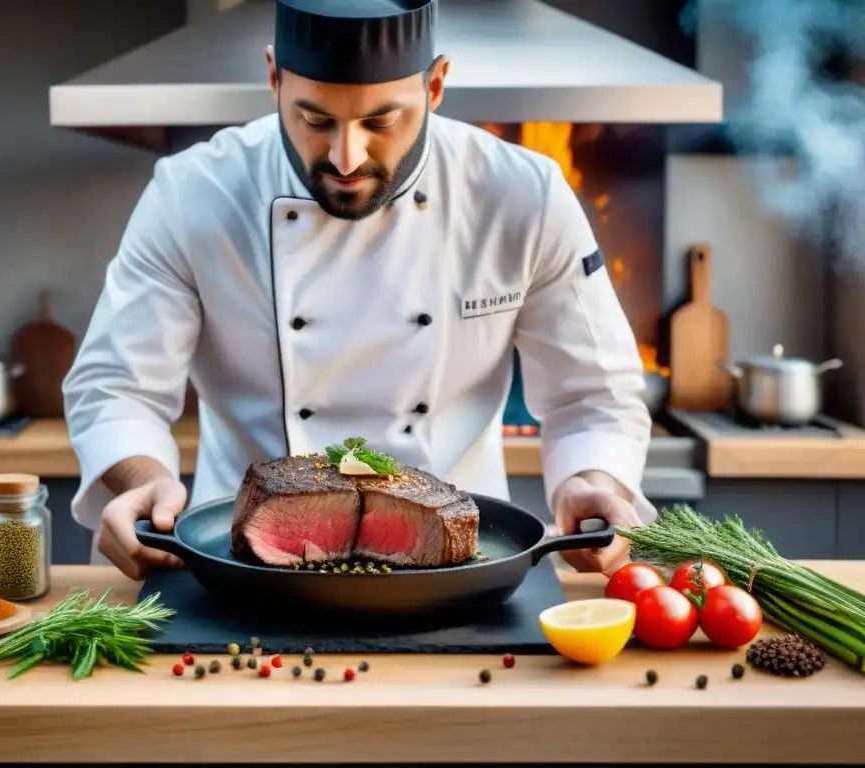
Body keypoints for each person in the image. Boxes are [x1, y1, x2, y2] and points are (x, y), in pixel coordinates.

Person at [63, 0, 655, 581]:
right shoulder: (193, 193)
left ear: (437, 84)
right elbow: (115, 386)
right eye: (316, 120)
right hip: (240, 566)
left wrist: (593, 481)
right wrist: (147, 484)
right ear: (273, 78)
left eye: (381, 121)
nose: (346, 157)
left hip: (459, 571)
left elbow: (594, 393)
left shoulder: (522, 194)